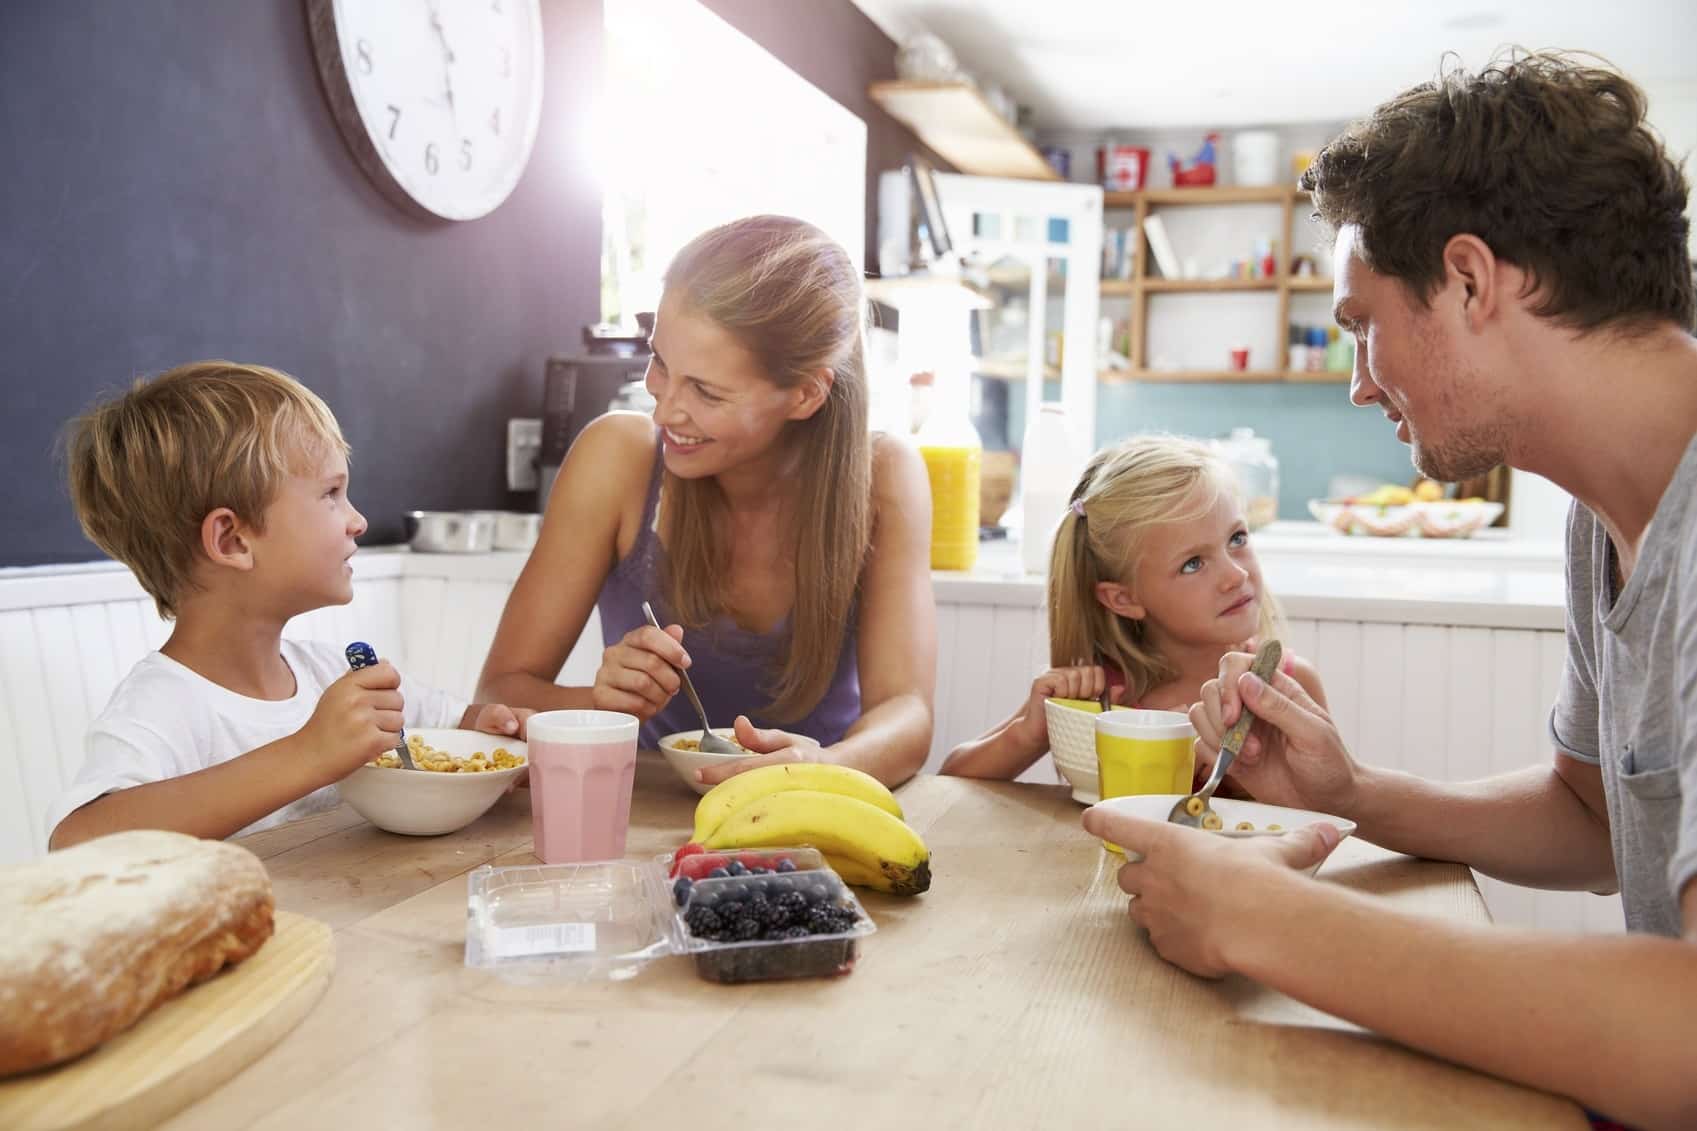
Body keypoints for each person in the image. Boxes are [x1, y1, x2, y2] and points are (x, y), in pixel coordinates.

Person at [1082, 52, 1697, 1130]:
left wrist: (1269, 921)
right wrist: (1353, 795)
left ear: (1468, 280)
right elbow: (1593, 820)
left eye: (1360, 324)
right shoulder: (1600, 521)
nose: (1359, 380)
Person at [477, 215, 936, 787]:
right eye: (661, 364)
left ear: (805, 393)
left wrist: (822, 767)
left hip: (816, 809)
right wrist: (601, 703)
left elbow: (908, 715)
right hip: (636, 810)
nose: (666, 410)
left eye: (707, 391)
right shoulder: (617, 459)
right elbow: (499, 693)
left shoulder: (886, 477)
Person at [48, 362, 527, 849]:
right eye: (331, 494)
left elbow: (455, 726)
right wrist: (307, 754)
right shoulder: (164, 705)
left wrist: (489, 729)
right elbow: (77, 842)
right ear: (233, 540)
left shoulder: (330, 671)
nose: (357, 520)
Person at [942, 435, 1325, 781]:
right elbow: (953, 780)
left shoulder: (1287, 686)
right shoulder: (1101, 699)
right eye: (1193, 563)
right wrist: (1029, 732)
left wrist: (1246, 777)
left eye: (1237, 538)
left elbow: (1331, 805)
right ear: (1124, 599)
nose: (1236, 574)